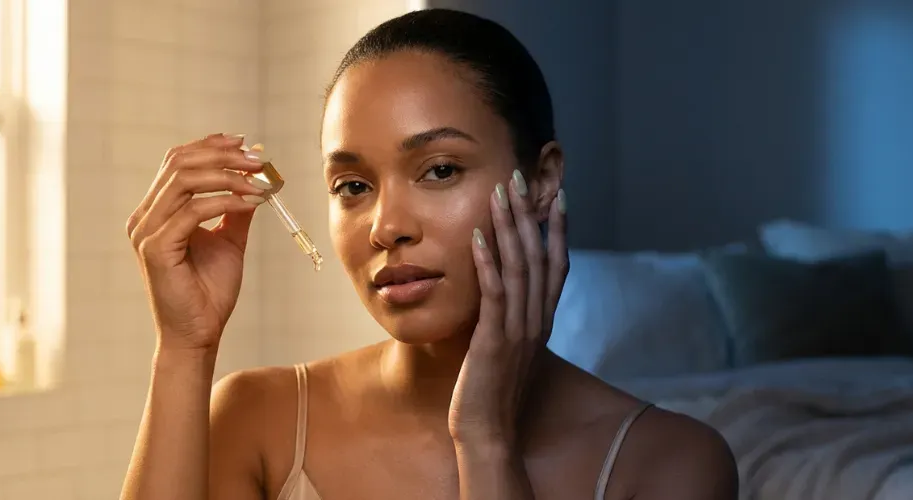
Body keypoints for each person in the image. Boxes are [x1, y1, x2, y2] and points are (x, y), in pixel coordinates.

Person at [119, 8, 738, 500]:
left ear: (543, 178)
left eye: (440, 170)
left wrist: (486, 438)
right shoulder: (258, 419)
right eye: (353, 187)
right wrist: (184, 347)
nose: (385, 227)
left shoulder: (670, 463)